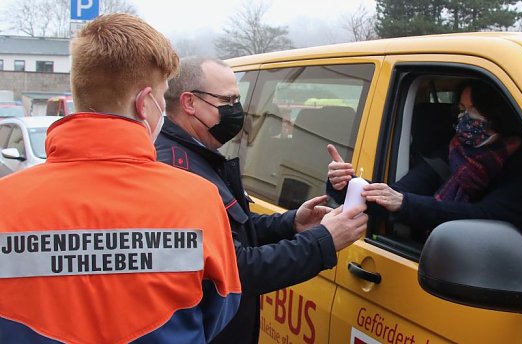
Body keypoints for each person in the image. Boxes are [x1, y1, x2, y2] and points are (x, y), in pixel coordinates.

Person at [0, 14, 241, 343]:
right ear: (144, 103)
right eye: (163, 96)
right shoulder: (199, 198)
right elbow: (220, 307)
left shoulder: (5, 200)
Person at [155, 56, 368, 344]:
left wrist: (292, 222)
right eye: (227, 100)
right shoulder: (179, 170)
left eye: (237, 100)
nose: (237, 111)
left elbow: (232, 227)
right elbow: (236, 268)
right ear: (189, 103)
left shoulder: (198, 153)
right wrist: (324, 241)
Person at [327, 80, 522, 238]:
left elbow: (488, 216)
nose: (465, 119)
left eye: (474, 111)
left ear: (499, 115)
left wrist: (405, 203)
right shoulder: (451, 153)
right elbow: (392, 196)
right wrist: (346, 184)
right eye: (462, 110)